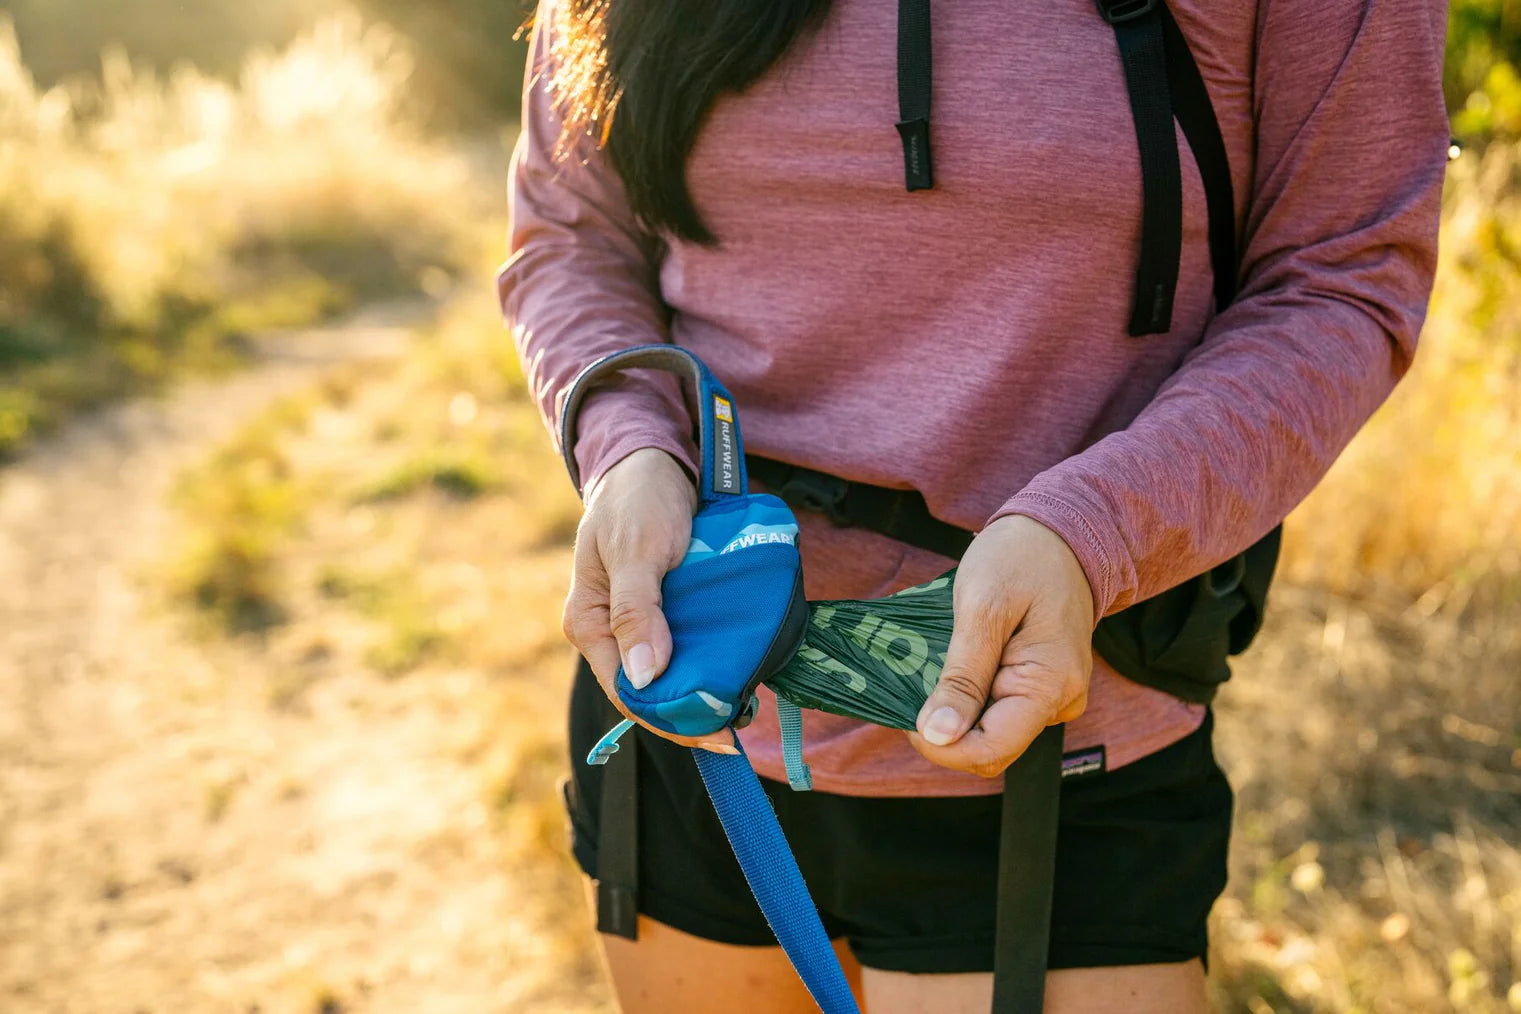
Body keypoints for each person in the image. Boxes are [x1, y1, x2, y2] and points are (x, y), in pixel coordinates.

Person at [498, 0, 1448, 1010]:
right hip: (692, 715)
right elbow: (572, 231)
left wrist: (1091, 536)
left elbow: (1342, 274)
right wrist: (629, 454)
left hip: (1059, 755)